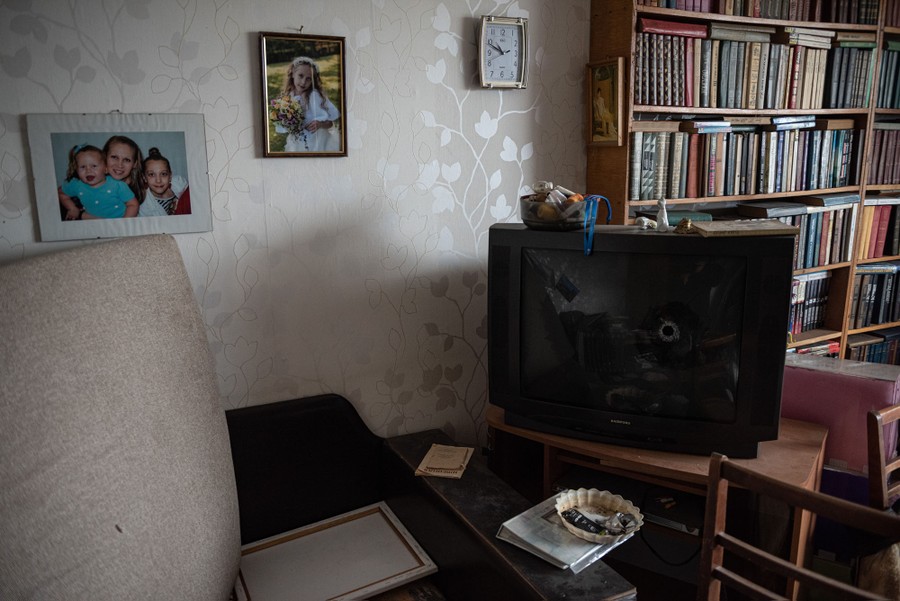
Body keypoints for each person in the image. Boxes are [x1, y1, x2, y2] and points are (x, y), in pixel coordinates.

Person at [58, 134, 145, 219]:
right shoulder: (81, 183)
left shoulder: (143, 187)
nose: (120, 165)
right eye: (114, 157)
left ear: (135, 164)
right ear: (104, 157)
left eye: (127, 160)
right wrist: (74, 210)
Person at [277, 56, 341, 152]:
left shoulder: (315, 96)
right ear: (293, 73)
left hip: (319, 142)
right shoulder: (287, 98)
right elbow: (285, 125)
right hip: (298, 144)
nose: (303, 82)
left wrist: (320, 124)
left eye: (308, 79)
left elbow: (330, 124)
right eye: (301, 76)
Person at [139, 147, 189, 216]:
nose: (158, 180)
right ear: (144, 178)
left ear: (170, 176)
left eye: (163, 174)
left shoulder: (180, 183)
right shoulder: (143, 207)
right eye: (151, 174)